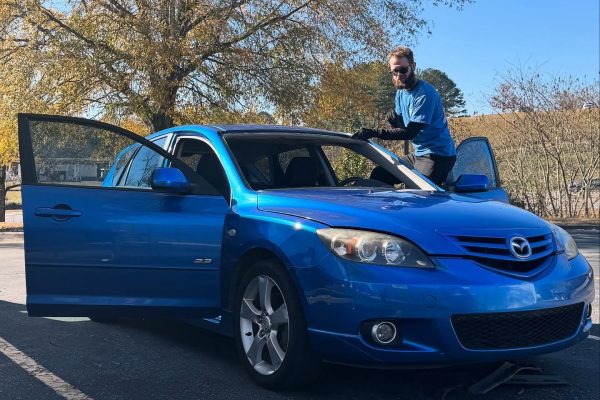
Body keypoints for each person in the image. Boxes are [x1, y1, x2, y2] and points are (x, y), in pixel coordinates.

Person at [353, 46, 456, 186]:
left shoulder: (425, 94)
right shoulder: (400, 92)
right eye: (395, 71)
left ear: (413, 66)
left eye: (403, 70)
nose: (399, 75)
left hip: (438, 155)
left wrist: (373, 132)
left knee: (414, 191)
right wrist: (395, 122)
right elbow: (403, 127)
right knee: (379, 174)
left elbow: (409, 133)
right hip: (419, 154)